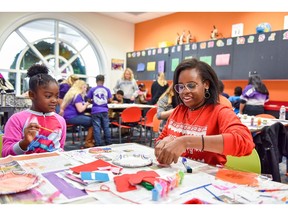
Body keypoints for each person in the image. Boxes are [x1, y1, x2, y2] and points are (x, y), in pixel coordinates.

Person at [154, 58, 254, 166]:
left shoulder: (220, 112)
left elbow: (245, 142)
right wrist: (162, 144)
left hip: (209, 179)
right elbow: (160, 139)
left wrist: (186, 142)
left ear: (206, 84)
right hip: (177, 177)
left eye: (191, 85)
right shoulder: (179, 110)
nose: (185, 91)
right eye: (181, 87)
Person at [2, 64, 66, 157]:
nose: (54, 100)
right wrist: (24, 143)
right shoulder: (17, 120)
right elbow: (5, 154)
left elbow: (61, 148)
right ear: (32, 95)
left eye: (56, 96)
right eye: (48, 96)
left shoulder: (61, 121)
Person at [60, 79, 94, 148]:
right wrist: (87, 103)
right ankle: (88, 142)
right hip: (72, 117)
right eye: (85, 87)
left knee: (90, 119)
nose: (85, 89)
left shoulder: (71, 94)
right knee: (94, 121)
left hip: (67, 117)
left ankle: (89, 140)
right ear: (80, 87)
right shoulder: (78, 95)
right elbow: (80, 109)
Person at [87, 75, 112, 146]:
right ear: (103, 81)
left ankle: (98, 143)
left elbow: (88, 99)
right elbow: (110, 100)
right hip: (104, 110)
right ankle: (108, 142)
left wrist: (93, 101)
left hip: (95, 110)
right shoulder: (107, 90)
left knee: (96, 128)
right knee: (106, 127)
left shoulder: (92, 89)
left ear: (96, 81)